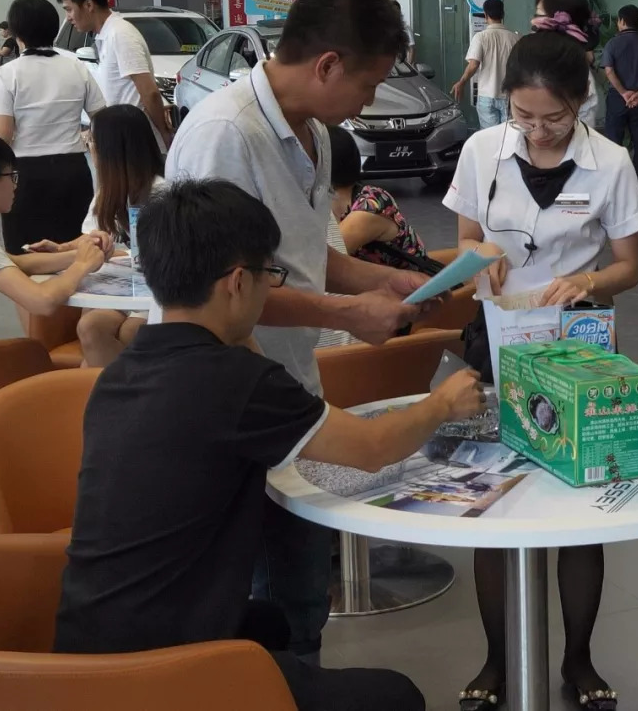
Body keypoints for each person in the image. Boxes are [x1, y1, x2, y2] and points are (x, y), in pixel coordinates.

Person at [54, 177, 487, 711]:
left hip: (87, 655)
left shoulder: (124, 371)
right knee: (396, 695)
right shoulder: (233, 380)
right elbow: (373, 446)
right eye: (270, 276)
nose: (270, 289)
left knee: (272, 623)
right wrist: (443, 403)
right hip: (161, 673)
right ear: (238, 281)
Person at [166, 0, 437, 660]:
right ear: (327, 65)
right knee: (265, 604)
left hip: (288, 382)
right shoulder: (226, 134)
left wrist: (392, 277)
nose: (368, 103)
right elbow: (223, 290)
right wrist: (351, 311)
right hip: (234, 399)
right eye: (368, 86)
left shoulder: (310, 133)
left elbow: (301, 253)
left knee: (301, 591)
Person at [444, 11, 638, 711]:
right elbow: (467, 236)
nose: (535, 131)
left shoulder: (611, 163)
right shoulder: (480, 151)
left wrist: (589, 282)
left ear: (581, 101)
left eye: (553, 118)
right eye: (522, 115)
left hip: (581, 345)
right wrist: (485, 257)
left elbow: (630, 268)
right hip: (499, 336)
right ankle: (497, 660)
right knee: (495, 501)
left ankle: (580, 661)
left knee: (579, 501)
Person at [27, 104, 167, 367]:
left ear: (111, 150)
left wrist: (115, 251)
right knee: (90, 327)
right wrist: (62, 248)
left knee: (131, 332)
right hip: (126, 286)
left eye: (91, 140)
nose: (89, 147)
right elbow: (92, 236)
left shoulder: (163, 194)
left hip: (159, 291)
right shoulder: (108, 193)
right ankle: (109, 395)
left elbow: (165, 256)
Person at [0, 0, 106, 254]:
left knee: (27, 257)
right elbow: (103, 118)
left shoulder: (8, 74)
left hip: (26, 176)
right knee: (76, 255)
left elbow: (2, 136)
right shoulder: (77, 68)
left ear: (16, 32)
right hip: (73, 171)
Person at [0, 131, 107, 320]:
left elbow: (16, 263)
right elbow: (42, 301)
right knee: (33, 350)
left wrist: (85, 253)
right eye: (11, 176)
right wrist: (82, 265)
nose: (15, 185)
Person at [56, 0, 172, 152]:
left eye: (69, 9)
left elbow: (150, 93)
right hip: (122, 139)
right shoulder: (107, 34)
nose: (68, 17)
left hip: (136, 141)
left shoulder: (120, 34)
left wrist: (164, 134)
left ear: (88, 5)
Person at [328, 125, 431, 271]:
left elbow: (320, 260)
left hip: (413, 289)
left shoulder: (371, 203)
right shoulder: (329, 202)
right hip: (375, 288)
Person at [602, 4, 638, 188]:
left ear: (621, 21)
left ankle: (615, 182)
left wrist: (623, 93)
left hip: (617, 100)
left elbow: (609, 71)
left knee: (614, 142)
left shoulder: (612, 44)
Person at [534, 0, 600, 126]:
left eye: (539, 16)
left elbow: (583, 124)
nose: (533, 22)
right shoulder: (534, 56)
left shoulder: (574, 68)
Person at [451, 0, 519, 129]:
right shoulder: (515, 38)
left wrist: (462, 82)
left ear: (486, 15)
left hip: (486, 95)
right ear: (503, 14)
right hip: (509, 96)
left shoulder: (481, 37)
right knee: (509, 135)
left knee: (489, 137)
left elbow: (473, 64)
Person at [392, 0, 416, 64]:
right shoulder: (385, 29)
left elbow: (412, 48)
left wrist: (409, 65)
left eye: (396, 11)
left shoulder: (405, 28)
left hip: (402, 65)